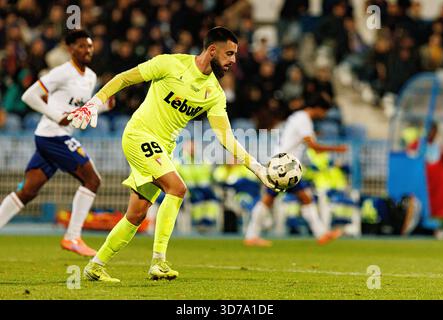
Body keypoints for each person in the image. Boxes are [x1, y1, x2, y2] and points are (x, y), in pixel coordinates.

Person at [69, 27, 278, 282]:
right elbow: (125, 78)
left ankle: (95, 266)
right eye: (229, 53)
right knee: (177, 188)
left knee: (136, 213)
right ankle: (159, 261)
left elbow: (226, 138)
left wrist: (258, 169)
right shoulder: (170, 63)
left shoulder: (214, 93)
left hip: (163, 148)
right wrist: (94, 103)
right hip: (139, 135)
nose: (233, 60)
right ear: (212, 50)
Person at [0, 30, 113, 257]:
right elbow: (29, 96)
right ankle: (72, 237)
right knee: (92, 180)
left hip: (55, 135)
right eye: (81, 46)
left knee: (28, 191)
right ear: (70, 49)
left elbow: (80, 111)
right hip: (52, 134)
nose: (87, 50)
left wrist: (102, 106)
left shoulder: (90, 77)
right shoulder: (61, 73)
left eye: (89, 46)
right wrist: (55, 115)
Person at [244, 93, 348, 247]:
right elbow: (314, 147)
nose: (324, 115)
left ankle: (321, 234)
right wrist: (337, 149)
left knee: (295, 198)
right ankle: (251, 236)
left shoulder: (299, 118)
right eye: (324, 111)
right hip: (283, 167)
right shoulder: (303, 120)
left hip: (283, 164)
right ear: (319, 109)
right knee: (272, 199)